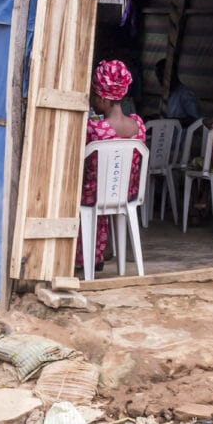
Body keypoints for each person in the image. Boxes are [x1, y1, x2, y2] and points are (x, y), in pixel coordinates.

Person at [78, 59, 146, 271]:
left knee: (72, 190)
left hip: (94, 194)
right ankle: (100, 251)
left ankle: (83, 256)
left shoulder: (94, 128)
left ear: (102, 99)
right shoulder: (138, 124)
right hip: (125, 194)